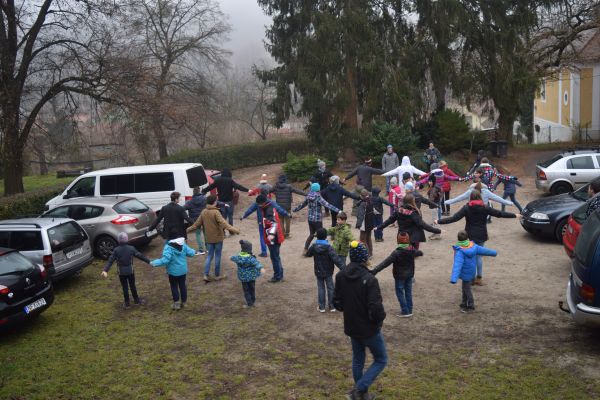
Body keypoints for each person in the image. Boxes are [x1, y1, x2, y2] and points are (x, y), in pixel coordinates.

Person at [333, 241, 387, 400]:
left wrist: (348, 309)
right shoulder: (369, 279)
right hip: (369, 329)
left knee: (358, 359)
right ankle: (359, 389)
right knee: (381, 359)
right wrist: (379, 321)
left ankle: (361, 395)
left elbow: (336, 302)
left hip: (352, 325)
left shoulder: (341, 275)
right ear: (365, 258)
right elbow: (376, 308)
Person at [436, 190, 517, 286]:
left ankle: (471, 278)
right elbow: (500, 214)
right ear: (480, 197)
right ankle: (479, 278)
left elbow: (454, 218)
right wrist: (514, 215)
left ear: (471, 197)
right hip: (482, 235)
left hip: (470, 236)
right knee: (479, 257)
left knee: (471, 257)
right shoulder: (485, 207)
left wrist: (439, 221)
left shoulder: (467, 208)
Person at [187, 195, 240, 282]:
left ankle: (206, 274)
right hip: (218, 238)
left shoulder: (203, 212)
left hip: (208, 238)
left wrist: (187, 230)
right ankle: (217, 275)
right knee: (218, 255)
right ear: (214, 202)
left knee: (210, 256)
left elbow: (196, 224)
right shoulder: (216, 212)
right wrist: (236, 230)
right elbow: (224, 224)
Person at [371, 232, 423, 317]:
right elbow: (419, 252)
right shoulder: (412, 250)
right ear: (408, 241)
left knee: (400, 293)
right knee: (408, 292)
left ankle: (405, 311)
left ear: (398, 241)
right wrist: (420, 252)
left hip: (399, 276)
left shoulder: (396, 253)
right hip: (409, 275)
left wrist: (374, 271)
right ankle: (409, 310)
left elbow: (385, 263)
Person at [450, 230, 497, 313]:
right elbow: (484, 250)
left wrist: (454, 279)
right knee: (465, 288)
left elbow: (457, 265)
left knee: (467, 289)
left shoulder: (460, 251)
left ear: (458, 239)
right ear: (467, 238)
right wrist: (494, 253)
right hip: (471, 272)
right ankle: (464, 303)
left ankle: (470, 306)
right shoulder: (473, 246)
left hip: (465, 274)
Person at [150, 228, 197, 310]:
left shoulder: (168, 247)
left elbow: (165, 260)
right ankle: (184, 302)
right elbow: (191, 253)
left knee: (174, 286)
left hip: (173, 272)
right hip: (182, 271)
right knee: (182, 285)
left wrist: (155, 262)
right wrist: (194, 251)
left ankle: (176, 304)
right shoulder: (183, 245)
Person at [101, 232, 150, 308]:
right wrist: (149, 261)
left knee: (125, 287)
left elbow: (110, 261)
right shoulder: (131, 248)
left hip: (121, 273)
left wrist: (105, 270)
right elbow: (140, 256)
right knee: (132, 285)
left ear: (118, 240)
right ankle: (136, 300)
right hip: (130, 271)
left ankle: (127, 303)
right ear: (126, 239)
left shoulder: (116, 250)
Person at [293, 182, 341, 253]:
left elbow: (302, 205)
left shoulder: (308, 196)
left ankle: (305, 249)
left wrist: (295, 210)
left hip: (310, 219)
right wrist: (338, 211)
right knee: (321, 235)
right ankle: (321, 250)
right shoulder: (318, 197)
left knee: (311, 234)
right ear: (318, 189)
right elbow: (327, 205)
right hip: (317, 219)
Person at [306, 228, 345, 312]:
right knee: (330, 287)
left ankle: (322, 307)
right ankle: (332, 306)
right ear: (325, 237)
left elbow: (308, 254)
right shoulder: (329, 247)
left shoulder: (314, 246)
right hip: (328, 271)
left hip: (318, 271)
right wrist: (344, 268)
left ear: (317, 237)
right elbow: (336, 259)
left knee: (321, 288)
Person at [257, 194, 287, 282]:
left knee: (274, 258)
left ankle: (277, 276)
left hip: (273, 239)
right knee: (276, 257)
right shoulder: (269, 206)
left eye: (259, 204)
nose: (258, 206)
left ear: (262, 203)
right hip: (276, 237)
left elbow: (273, 224)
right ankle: (280, 275)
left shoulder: (268, 211)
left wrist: (271, 235)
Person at [231, 240, 264, 308]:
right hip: (252, 277)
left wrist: (230, 258)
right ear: (250, 249)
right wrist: (261, 268)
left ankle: (249, 303)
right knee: (252, 288)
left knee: (246, 290)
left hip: (244, 278)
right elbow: (256, 263)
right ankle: (252, 301)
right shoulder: (251, 258)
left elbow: (233, 258)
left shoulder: (238, 257)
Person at [355, 189, 376, 256]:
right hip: (370, 223)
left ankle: (365, 254)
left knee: (363, 240)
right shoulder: (370, 201)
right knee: (368, 239)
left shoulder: (363, 204)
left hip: (364, 224)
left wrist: (358, 225)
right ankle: (370, 253)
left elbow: (361, 216)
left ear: (361, 196)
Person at [425, 175, 443, 240]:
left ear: (433, 181)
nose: (429, 182)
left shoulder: (434, 188)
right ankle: (435, 232)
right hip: (433, 206)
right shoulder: (432, 187)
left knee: (435, 220)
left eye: (430, 181)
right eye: (429, 181)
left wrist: (427, 201)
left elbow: (431, 199)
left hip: (434, 206)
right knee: (433, 221)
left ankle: (438, 234)